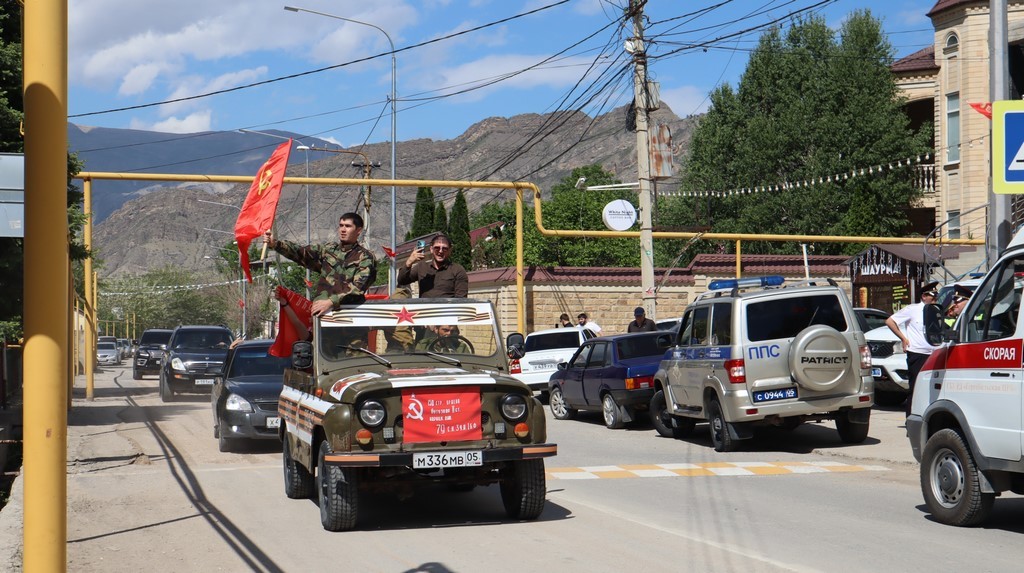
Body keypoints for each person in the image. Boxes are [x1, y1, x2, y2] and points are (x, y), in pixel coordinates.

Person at [263, 212, 376, 317]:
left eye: (348, 226)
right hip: (322, 316)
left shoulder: (365, 257)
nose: (343, 229)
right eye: (341, 225)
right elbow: (302, 253)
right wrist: (275, 244)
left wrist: (331, 302)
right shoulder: (328, 250)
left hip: (349, 316)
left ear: (359, 230)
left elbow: (357, 288)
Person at [885, 281, 941, 416]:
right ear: (924, 296)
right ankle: (911, 418)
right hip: (918, 353)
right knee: (916, 388)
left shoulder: (937, 310)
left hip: (934, 352)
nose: (935, 299)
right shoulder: (913, 309)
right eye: (932, 296)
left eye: (936, 296)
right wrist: (903, 338)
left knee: (933, 387)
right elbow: (890, 321)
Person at [398, 233, 469, 298]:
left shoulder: (457, 270)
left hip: (447, 311)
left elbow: (461, 299)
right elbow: (402, 281)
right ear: (431, 249)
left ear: (450, 251)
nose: (440, 251)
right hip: (425, 310)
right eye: (437, 248)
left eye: (444, 249)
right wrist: (409, 262)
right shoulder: (421, 267)